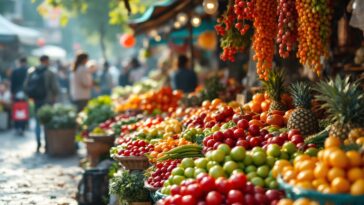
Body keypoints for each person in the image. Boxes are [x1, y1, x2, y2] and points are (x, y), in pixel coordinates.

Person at [24, 55, 60, 152]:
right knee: (47, 122)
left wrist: (31, 97)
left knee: (37, 123)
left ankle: (38, 143)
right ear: (47, 61)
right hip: (47, 100)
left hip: (36, 100)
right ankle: (47, 144)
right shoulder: (49, 72)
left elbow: (26, 86)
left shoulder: (31, 71)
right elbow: (55, 88)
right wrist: (55, 96)